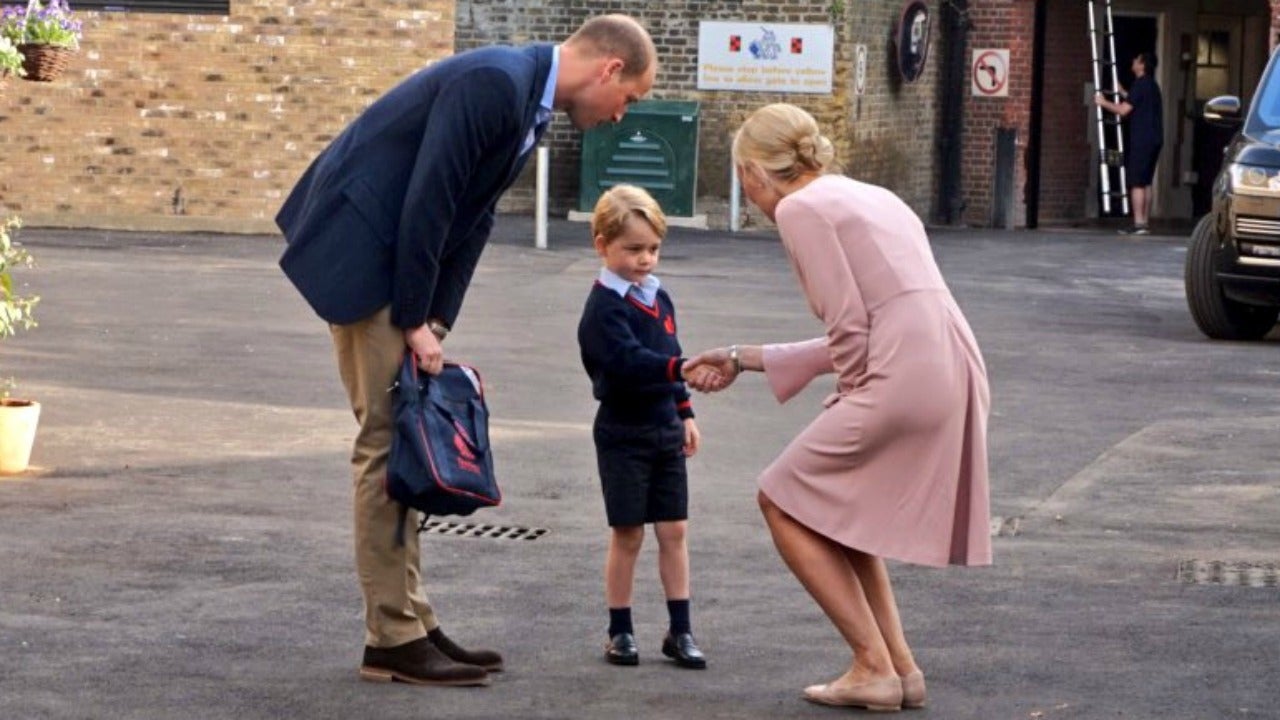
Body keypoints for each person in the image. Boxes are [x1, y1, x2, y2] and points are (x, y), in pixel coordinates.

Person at [274, 15, 657, 687]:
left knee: (408, 439)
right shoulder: (495, 84)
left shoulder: (524, 102)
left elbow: (470, 220)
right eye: (629, 100)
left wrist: (437, 320)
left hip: (394, 268)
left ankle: (413, 621)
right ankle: (390, 637)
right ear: (609, 70)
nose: (622, 116)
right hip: (366, 257)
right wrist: (414, 316)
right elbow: (429, 200)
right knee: (387, 444)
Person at [684, 103, 992, 712]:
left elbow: (848, 326)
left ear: (752, 172)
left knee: (779, 497)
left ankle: (873, 665)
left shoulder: (801, 209)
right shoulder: (870, 195)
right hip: (949, 365)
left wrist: (852, 397)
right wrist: (743, 357)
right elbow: (885, 319)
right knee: (842, 515)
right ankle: (900, 670)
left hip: (898, 376)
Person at [577, 184, 708, 670]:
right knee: (628, 532)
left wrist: (685, 410)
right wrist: (681, 371)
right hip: (622, 431)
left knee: (674, 529)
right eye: (633, 250)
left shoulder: (658, 297)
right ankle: (620, 630)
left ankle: (680, 630)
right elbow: (630, 362)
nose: (645, 260)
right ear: (602, 245)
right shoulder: (603, 309)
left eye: (652, 249)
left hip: (664, 427)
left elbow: (671, 354)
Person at [1095, 51, 1163, 235]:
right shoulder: (1151, 86)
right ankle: (1145, 222)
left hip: (1142, 139)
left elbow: (1124, 110)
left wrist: (1103, 102)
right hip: (1155, 139)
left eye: (1136, 59)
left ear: (1142, 64)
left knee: (1136, 182)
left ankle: (1138, 223)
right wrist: (1123, 91)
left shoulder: (1141, 85)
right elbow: (1135, 101)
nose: (1132, 61)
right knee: (1146, 181)